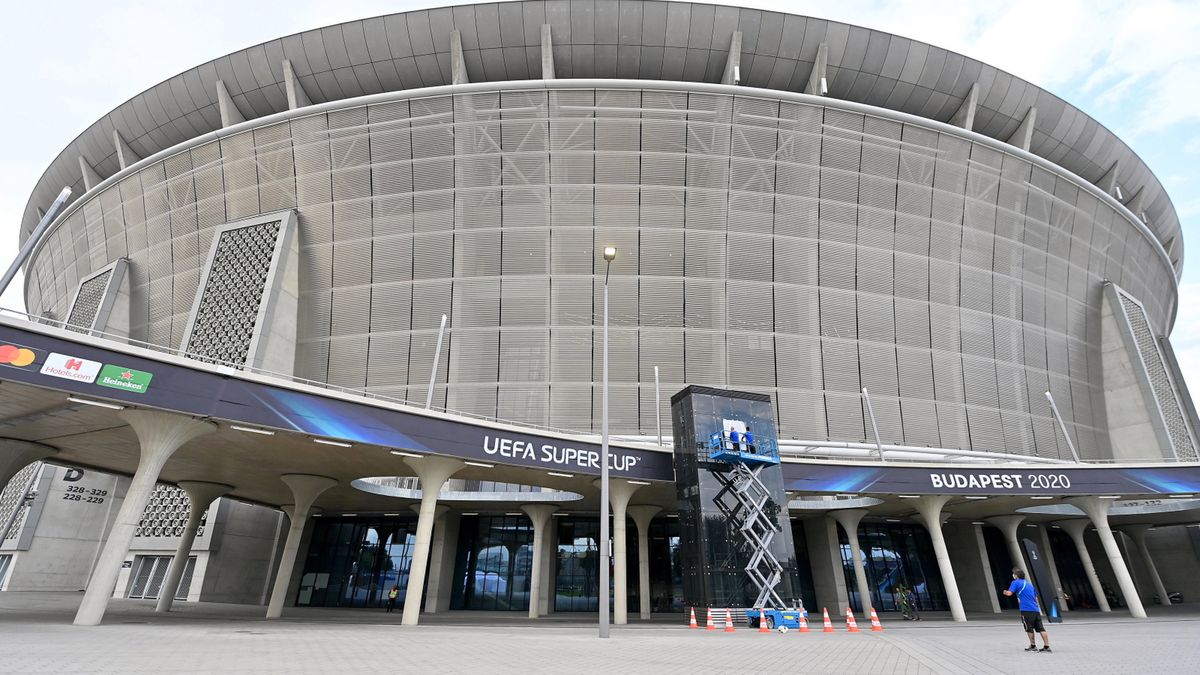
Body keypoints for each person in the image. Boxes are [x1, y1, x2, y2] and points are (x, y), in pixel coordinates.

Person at [1004, 568, 1051, 653]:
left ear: (1016, 576)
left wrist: (1004, 592)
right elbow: (1036, 597)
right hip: (1035, 609)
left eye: (1014, 574)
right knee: (1041, 628)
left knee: (1028, 628)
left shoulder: (1015, 582)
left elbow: (1009, 593)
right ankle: (1047, 646)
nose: (1013, 575)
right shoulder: (1029, 584)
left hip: (1026, 609)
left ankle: (1033, 646)